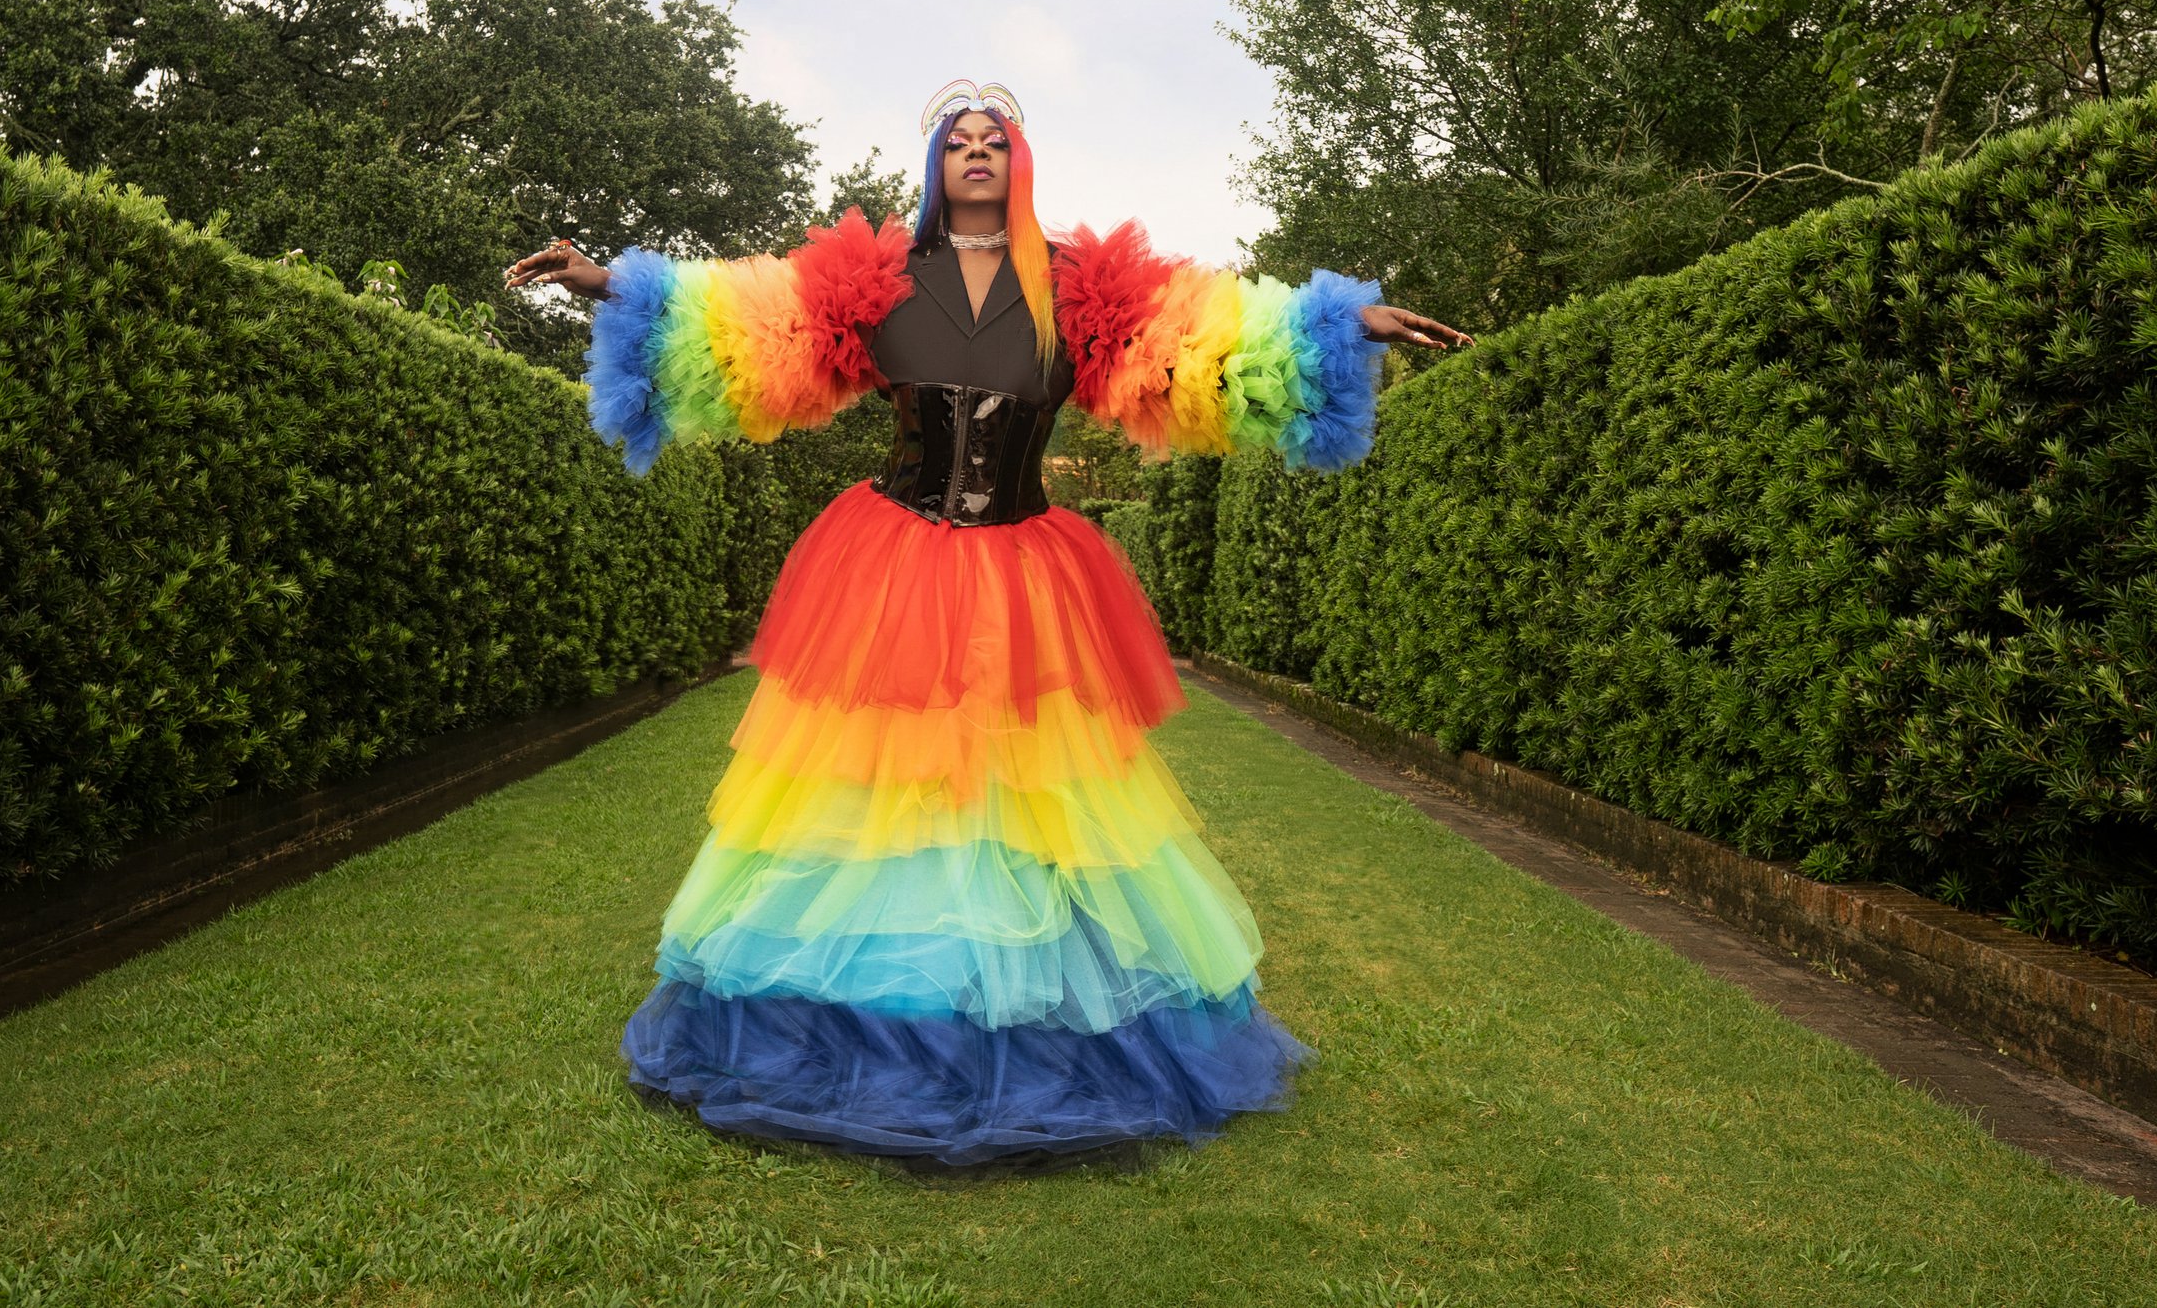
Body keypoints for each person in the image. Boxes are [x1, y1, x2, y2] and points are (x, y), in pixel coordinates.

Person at [504, 79, 1470, 1169]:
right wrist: (608, 285)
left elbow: (1205, 340)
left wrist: (1343, 322)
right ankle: (866, 1021)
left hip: (1025, 569)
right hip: (893, 562)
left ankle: (1032, 1016)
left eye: (992, 139)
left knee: (1030, 796)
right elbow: (742, 320)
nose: (974, 151)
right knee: (881, 788)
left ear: (1018, 162)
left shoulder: (1079, 288)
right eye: (956, 140)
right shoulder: (872, 284)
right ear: (932, 165)